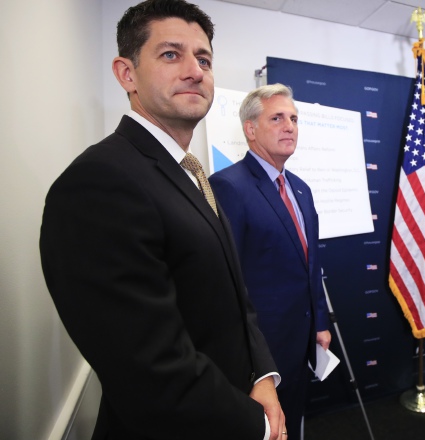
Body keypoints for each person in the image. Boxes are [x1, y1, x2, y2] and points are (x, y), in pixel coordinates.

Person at [39, 1, 286, 439]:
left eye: (204, 59)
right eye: (171, 54)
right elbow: (150, 368)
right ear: (126, 73)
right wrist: (258, 427)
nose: (195, 71)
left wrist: (261, 375)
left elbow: (232, 293)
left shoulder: (189, 173)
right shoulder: (99, 182)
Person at [209, 84, 331, 440]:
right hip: (260, 355)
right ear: (250, 129)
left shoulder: (301, 188)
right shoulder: (228, 187)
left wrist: (319, 323)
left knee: (292, 423)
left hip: (301, 342)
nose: (289, 126)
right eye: (277, 118)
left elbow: (311, 265)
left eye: (293, 118)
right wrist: (252, 361)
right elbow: (227, 283)